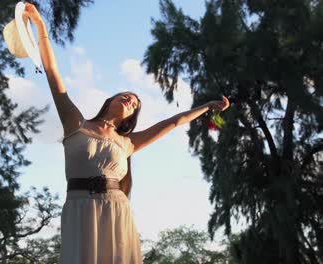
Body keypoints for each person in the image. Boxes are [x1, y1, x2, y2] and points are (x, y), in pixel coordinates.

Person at [22, 3, 230, 263]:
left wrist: (207, 107)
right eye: (127, 96)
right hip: (78, 209)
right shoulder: (75, 123)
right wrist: (40, 25)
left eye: (135, 104)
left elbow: (174, 122)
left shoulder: (127, 143)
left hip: (116, 210)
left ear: (130, 119)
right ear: (110, 99)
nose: (131, 100)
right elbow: (52, 72)